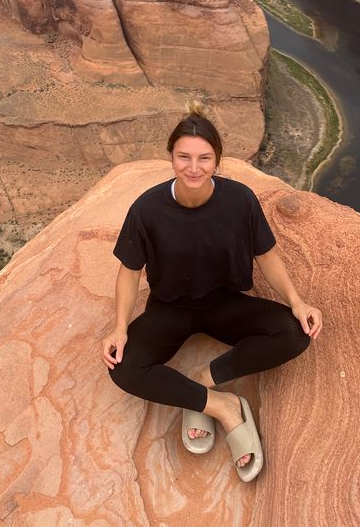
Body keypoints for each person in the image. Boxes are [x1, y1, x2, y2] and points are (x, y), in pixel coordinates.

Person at [102, 103, 323, 481]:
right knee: (122, 367)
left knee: (295, 333)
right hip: (170, 309)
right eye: (183, 157)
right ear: (170, 156)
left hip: (224, 304)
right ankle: (220, 404)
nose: (193, 167)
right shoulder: (147, 209)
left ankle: (203, 378)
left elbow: (267, 256)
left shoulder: (240, 200)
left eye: (204, 158)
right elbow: (129, 272)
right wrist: (119, 327)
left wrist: (297, 302)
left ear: (217, 159)